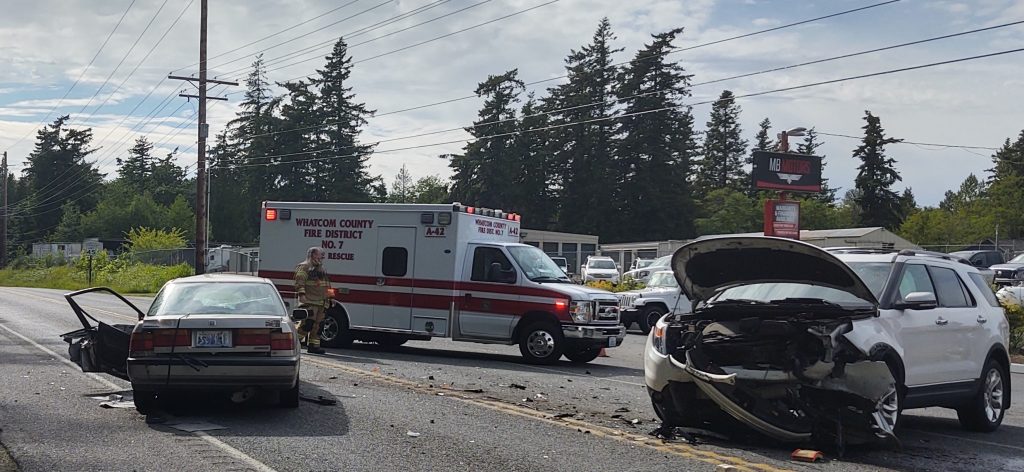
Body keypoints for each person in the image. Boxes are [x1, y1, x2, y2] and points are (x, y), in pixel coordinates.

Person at [294, 246, 332, 354]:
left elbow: (327, 285)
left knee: (319, 326)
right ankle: (294, 343)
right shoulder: (304, 267)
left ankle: (314, 346)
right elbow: (299, 282)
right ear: (313, 255)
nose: (322, 258)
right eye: (320, 255)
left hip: (322, 302)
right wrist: (301, 294)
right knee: (307, 324)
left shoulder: (322, 269)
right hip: (310, 301)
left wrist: (331, 297)